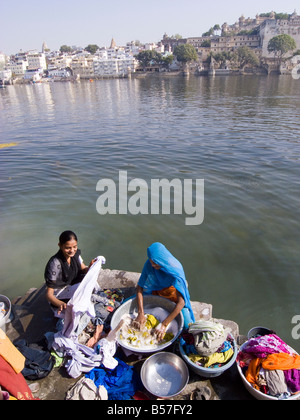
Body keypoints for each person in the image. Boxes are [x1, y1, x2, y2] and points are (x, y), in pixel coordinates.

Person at [135, 242, 195, 340]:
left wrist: (164, 324)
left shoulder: (175, 270)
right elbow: (140, 287)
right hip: (155, 292)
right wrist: (140, 313)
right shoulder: (149, 264)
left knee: (187, 327)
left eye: (155, 262)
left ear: (161, 259)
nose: (153, 265)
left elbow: (181, 302)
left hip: (173, 297)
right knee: (127, 304)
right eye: (151, 262)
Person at [44, 231, 95, 316]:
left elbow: (84, 269)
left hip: (70, 285)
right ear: (60, 245)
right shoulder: (55, 263)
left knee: (91, 283)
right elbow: (49, 294)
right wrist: (60, 304)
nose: (72, 250)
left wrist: (91, 267)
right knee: (73, 313)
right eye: (68, 248)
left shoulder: (75, 254)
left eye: (74, 247)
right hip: (59, 294)